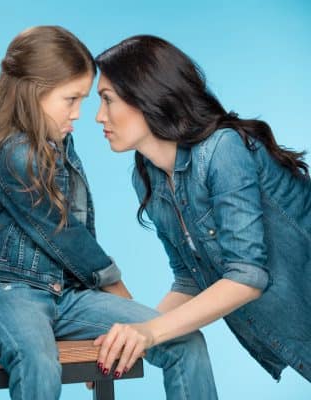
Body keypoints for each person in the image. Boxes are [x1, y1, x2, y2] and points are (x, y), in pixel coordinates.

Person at [0, 26, 218, 400]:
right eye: (71, 99)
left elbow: (81, 234)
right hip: (5, 296)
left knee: (183, 340)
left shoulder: (61, 148)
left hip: (66, 297)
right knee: (37, 359)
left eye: (83, 100)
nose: (80, 113)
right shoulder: (15, 154)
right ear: (34, 91)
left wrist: (117, 324)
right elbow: (68, 238)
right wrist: (121, 300)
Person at [93, 34, 311, 384]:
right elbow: (189, 279)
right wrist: (130, 341)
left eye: (107, 100)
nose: (98, 117)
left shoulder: (222, 151)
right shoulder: (148, 176)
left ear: (145, 96)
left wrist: (149, 333)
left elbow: (247, 277)